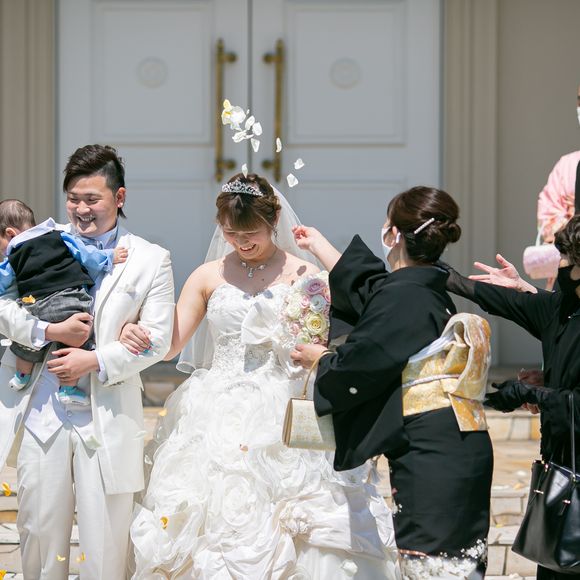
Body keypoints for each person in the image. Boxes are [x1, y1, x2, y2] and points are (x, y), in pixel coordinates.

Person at [126, 173, 400, 579]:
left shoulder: (305, 274)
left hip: (285, 404)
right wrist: (136, 331)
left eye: (250, 232)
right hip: (217, 406)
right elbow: (171, 343)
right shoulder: (207, 275)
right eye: (231, 232)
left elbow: (360, 315)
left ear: (274, 221)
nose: (241, 241)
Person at [291, 186, 494, 579]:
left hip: (431, 449)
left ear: (395, 234)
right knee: (455, 562)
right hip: (456, 441)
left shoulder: (404, 296)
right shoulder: (423, 286)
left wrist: (323, 360)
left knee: (433, 563)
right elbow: (372, 289)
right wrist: (319, 246)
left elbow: (360, 364)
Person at [0, 144, 175, 579]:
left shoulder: (151, 259)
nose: (81, 210)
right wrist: (48, 331)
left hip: (108, 416)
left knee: (106, 544)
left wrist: (95, 358)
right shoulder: (38, 241)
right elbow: (3, 305)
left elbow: (155, 341)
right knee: (39, 535)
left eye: (92, 199)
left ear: (119, 197)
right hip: (42, 409)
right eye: (73, 199)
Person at [445, 214, 580, 580]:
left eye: (565, 259)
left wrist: (533, 393)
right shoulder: (562, 310)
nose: (559, 267)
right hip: (561, 467)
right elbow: (497, 298)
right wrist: (434, 270)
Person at [0, 199, 128, 404]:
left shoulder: (12, 256)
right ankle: (68, 388)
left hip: (35, 305)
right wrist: (109, 257)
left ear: (10, 234)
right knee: (75, 345)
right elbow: (87, 255)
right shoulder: (59, 236)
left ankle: (21, 376)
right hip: (71, 302)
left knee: (25, 342)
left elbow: (3, 281)